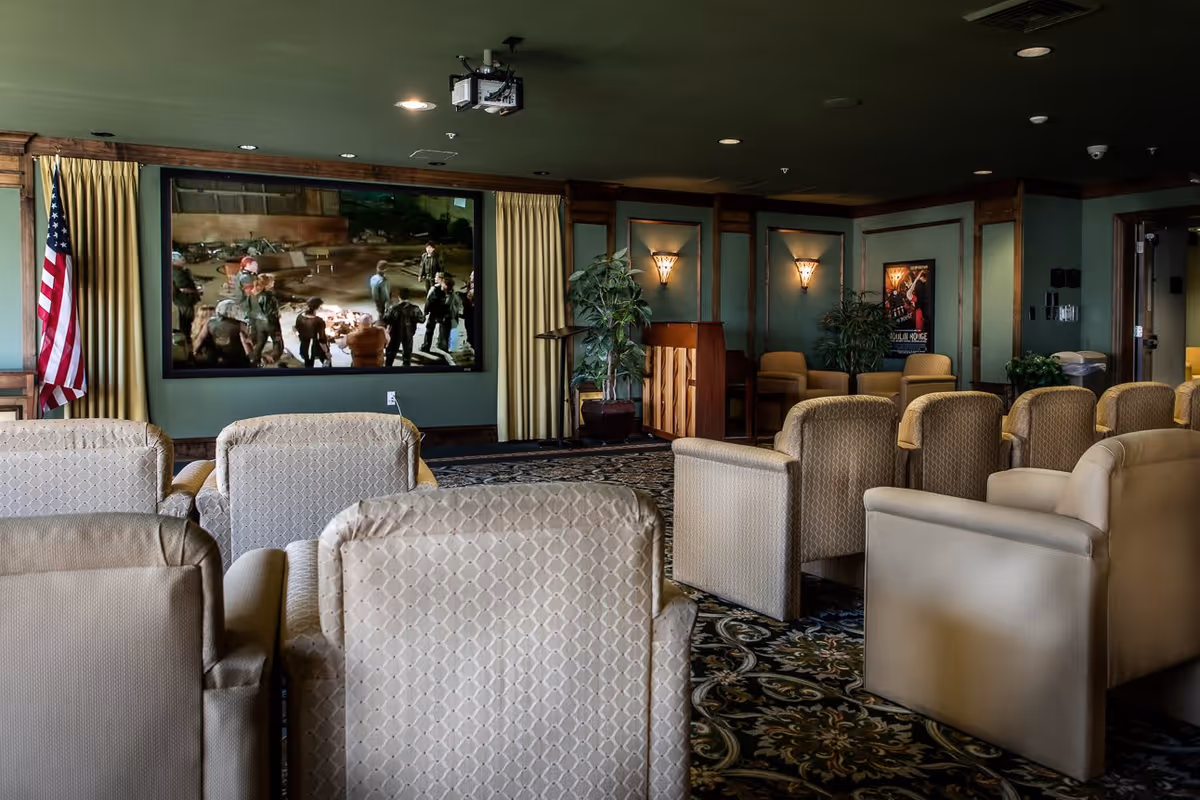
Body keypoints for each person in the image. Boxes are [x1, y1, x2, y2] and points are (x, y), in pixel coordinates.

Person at [193, 299, 252, 368]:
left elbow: (201, 338)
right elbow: (248, 340)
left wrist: (195, 351)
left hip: (216, 357)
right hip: (237, 358)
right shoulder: (240, 324)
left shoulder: (210, 322)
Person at [382, 287, 425, 368]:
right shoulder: (415, 308)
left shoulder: (393, 308)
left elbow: (386, 319)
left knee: (391, 353)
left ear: (399, 297)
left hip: (395, 333)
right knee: (407, 353)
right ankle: (406, 369)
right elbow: (422, 319)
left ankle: (388, 369)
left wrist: (386, 310)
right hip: (409, 333)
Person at [171, 251, 201, 346]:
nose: (183, 260)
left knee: (184, 320)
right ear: (174, 261)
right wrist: (196, 292)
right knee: (187, 321)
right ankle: (186, 341)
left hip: (180, 300)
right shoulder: (178, 272)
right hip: (185, 300)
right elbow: (183, 288)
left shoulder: (176, 270)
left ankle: (185, 339)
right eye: (181, 259)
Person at [255, 273, 285, 365]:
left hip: (259, 322)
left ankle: (255, 358)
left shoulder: (257, 295)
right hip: (271, 323)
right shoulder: (271, 296)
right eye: (272, 281)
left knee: (260, 342)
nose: (274, 282)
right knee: (278, 342)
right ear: (268, 283)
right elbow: (271, 311)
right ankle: (272, 359)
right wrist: (277, 314)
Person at [294, 297, 331, 368]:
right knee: (327, 363)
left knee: (308, 367)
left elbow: (296, 329)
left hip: (304, 347)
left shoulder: (300, 317)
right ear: (317, 308)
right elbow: (321, 339)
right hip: (316, 348)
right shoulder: (318, 321)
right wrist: (327, 352)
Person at [421, 272, 448, 353]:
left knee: (429, 330)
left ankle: (426, 346)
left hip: (434, 313)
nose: (435, 278)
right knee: (443, 329)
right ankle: (442, 345)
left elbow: (428, 301)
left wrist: (425, 311)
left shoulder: (433, 289)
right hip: (442, 312)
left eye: (436, 277)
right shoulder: (447, 288)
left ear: (440, 279)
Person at [458, 270, 475, 351]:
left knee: (470, 327)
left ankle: (471, 342)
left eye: (472, 276)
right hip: (468, 311)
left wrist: (461, 296)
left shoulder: (474, 290)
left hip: (471, 312)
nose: (470, 277)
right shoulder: (471, 285)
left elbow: (468, 299)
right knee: (468, 326)